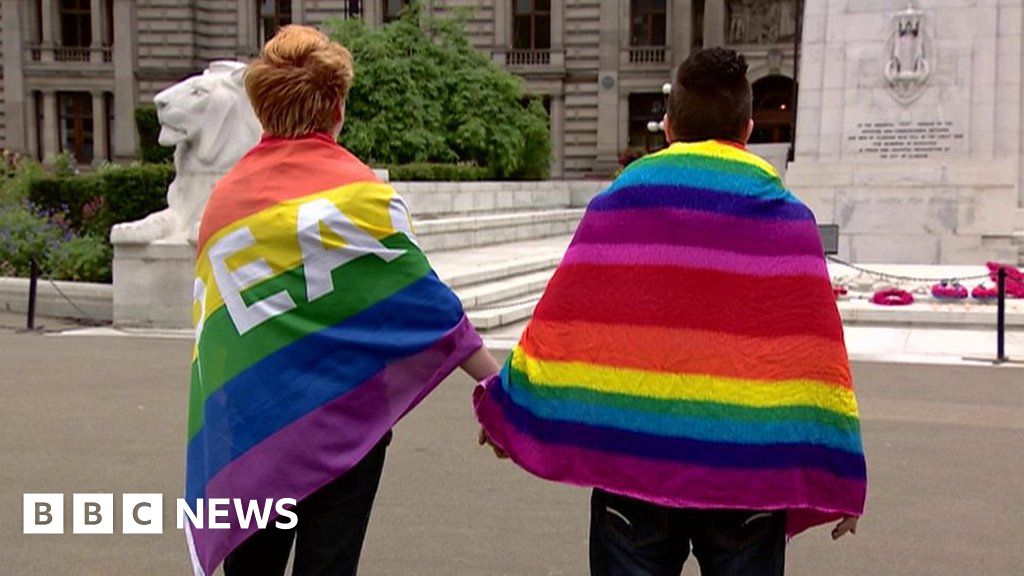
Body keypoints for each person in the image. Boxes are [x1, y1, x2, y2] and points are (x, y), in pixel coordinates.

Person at [475, 47, 866, 576]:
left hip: (633, 468)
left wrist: (510, 408)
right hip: (746, 473)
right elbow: (816, 358)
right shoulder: (789, 221)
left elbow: (562, 329)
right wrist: (836, 466)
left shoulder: (616, 208)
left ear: (668, 126)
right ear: (747, 130)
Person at [184, 25, 500, 576]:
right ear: (336, 105)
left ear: (263, 107)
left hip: (251, 429)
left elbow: (219, 327)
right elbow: (426, 306)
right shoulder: (361, 191)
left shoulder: (225, 198)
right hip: (343, 426)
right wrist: (498, 390)